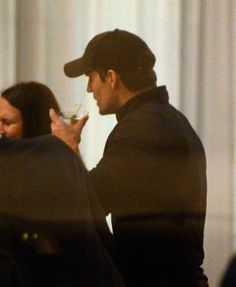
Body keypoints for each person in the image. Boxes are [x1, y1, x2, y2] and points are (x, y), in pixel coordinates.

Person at [50, 29, 209, 287]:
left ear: (111, 77)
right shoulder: (169, 120)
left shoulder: (140, 130)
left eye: (91, 77)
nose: (89, 88)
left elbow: (88, 204)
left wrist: (67, 149)